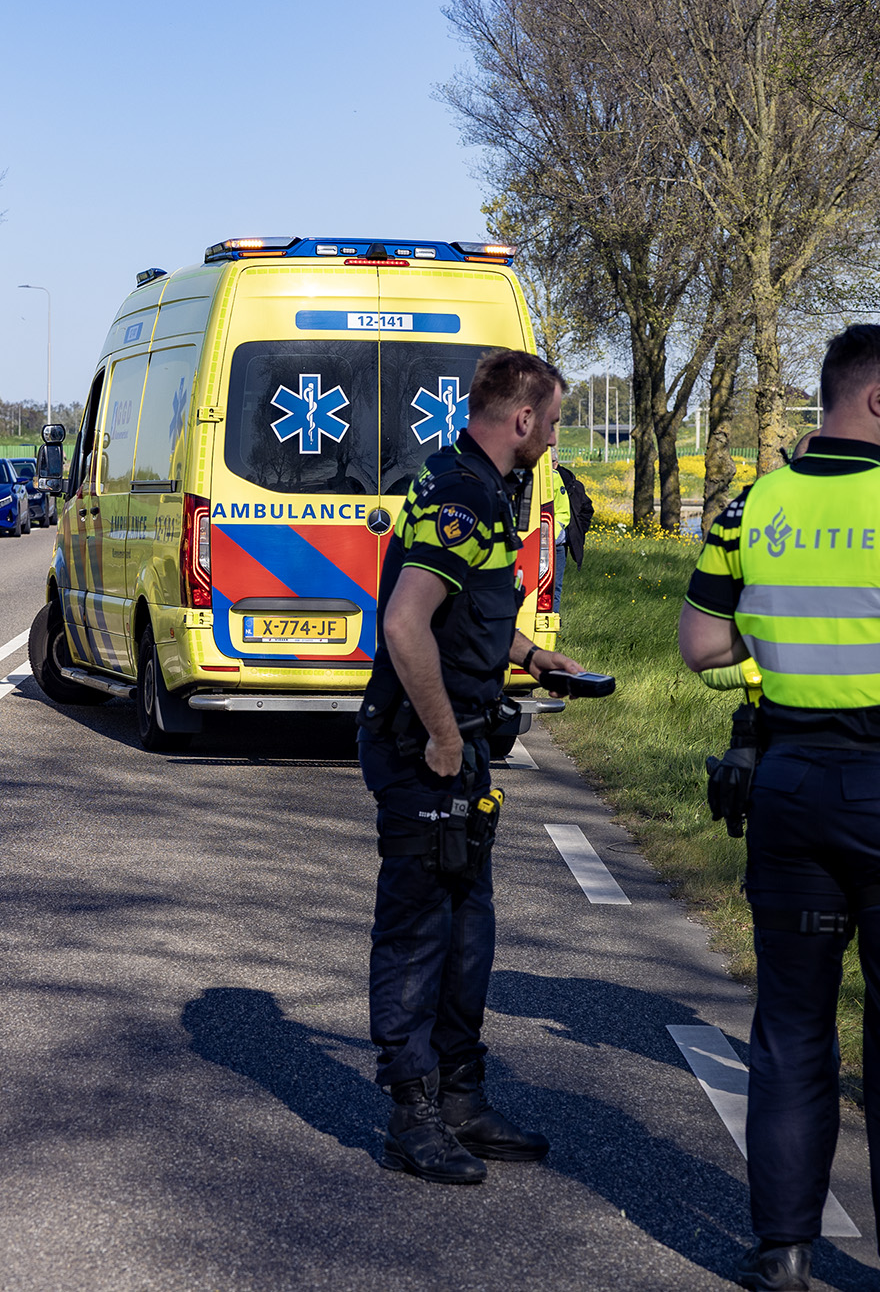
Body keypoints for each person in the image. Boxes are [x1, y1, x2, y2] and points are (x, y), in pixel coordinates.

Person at [676, 325, 880, 1292]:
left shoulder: (751, 506)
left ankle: (783, 1252)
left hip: (785, 790)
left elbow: (701, 645)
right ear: (874, 399)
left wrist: (788, 662)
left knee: (790, 1029)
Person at [357, 348, 587, 1185]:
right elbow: (406, 625)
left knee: (467, 934)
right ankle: (412, 1114)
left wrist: (531, 653)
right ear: (523, 418)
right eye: (555, 422)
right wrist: (446, 737)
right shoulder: (463, 494)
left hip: (457, 745)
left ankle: (461, 1097)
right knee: (420, 933)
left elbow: (462, 608)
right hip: (426, 749)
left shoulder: (470, 483)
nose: (553, 438)